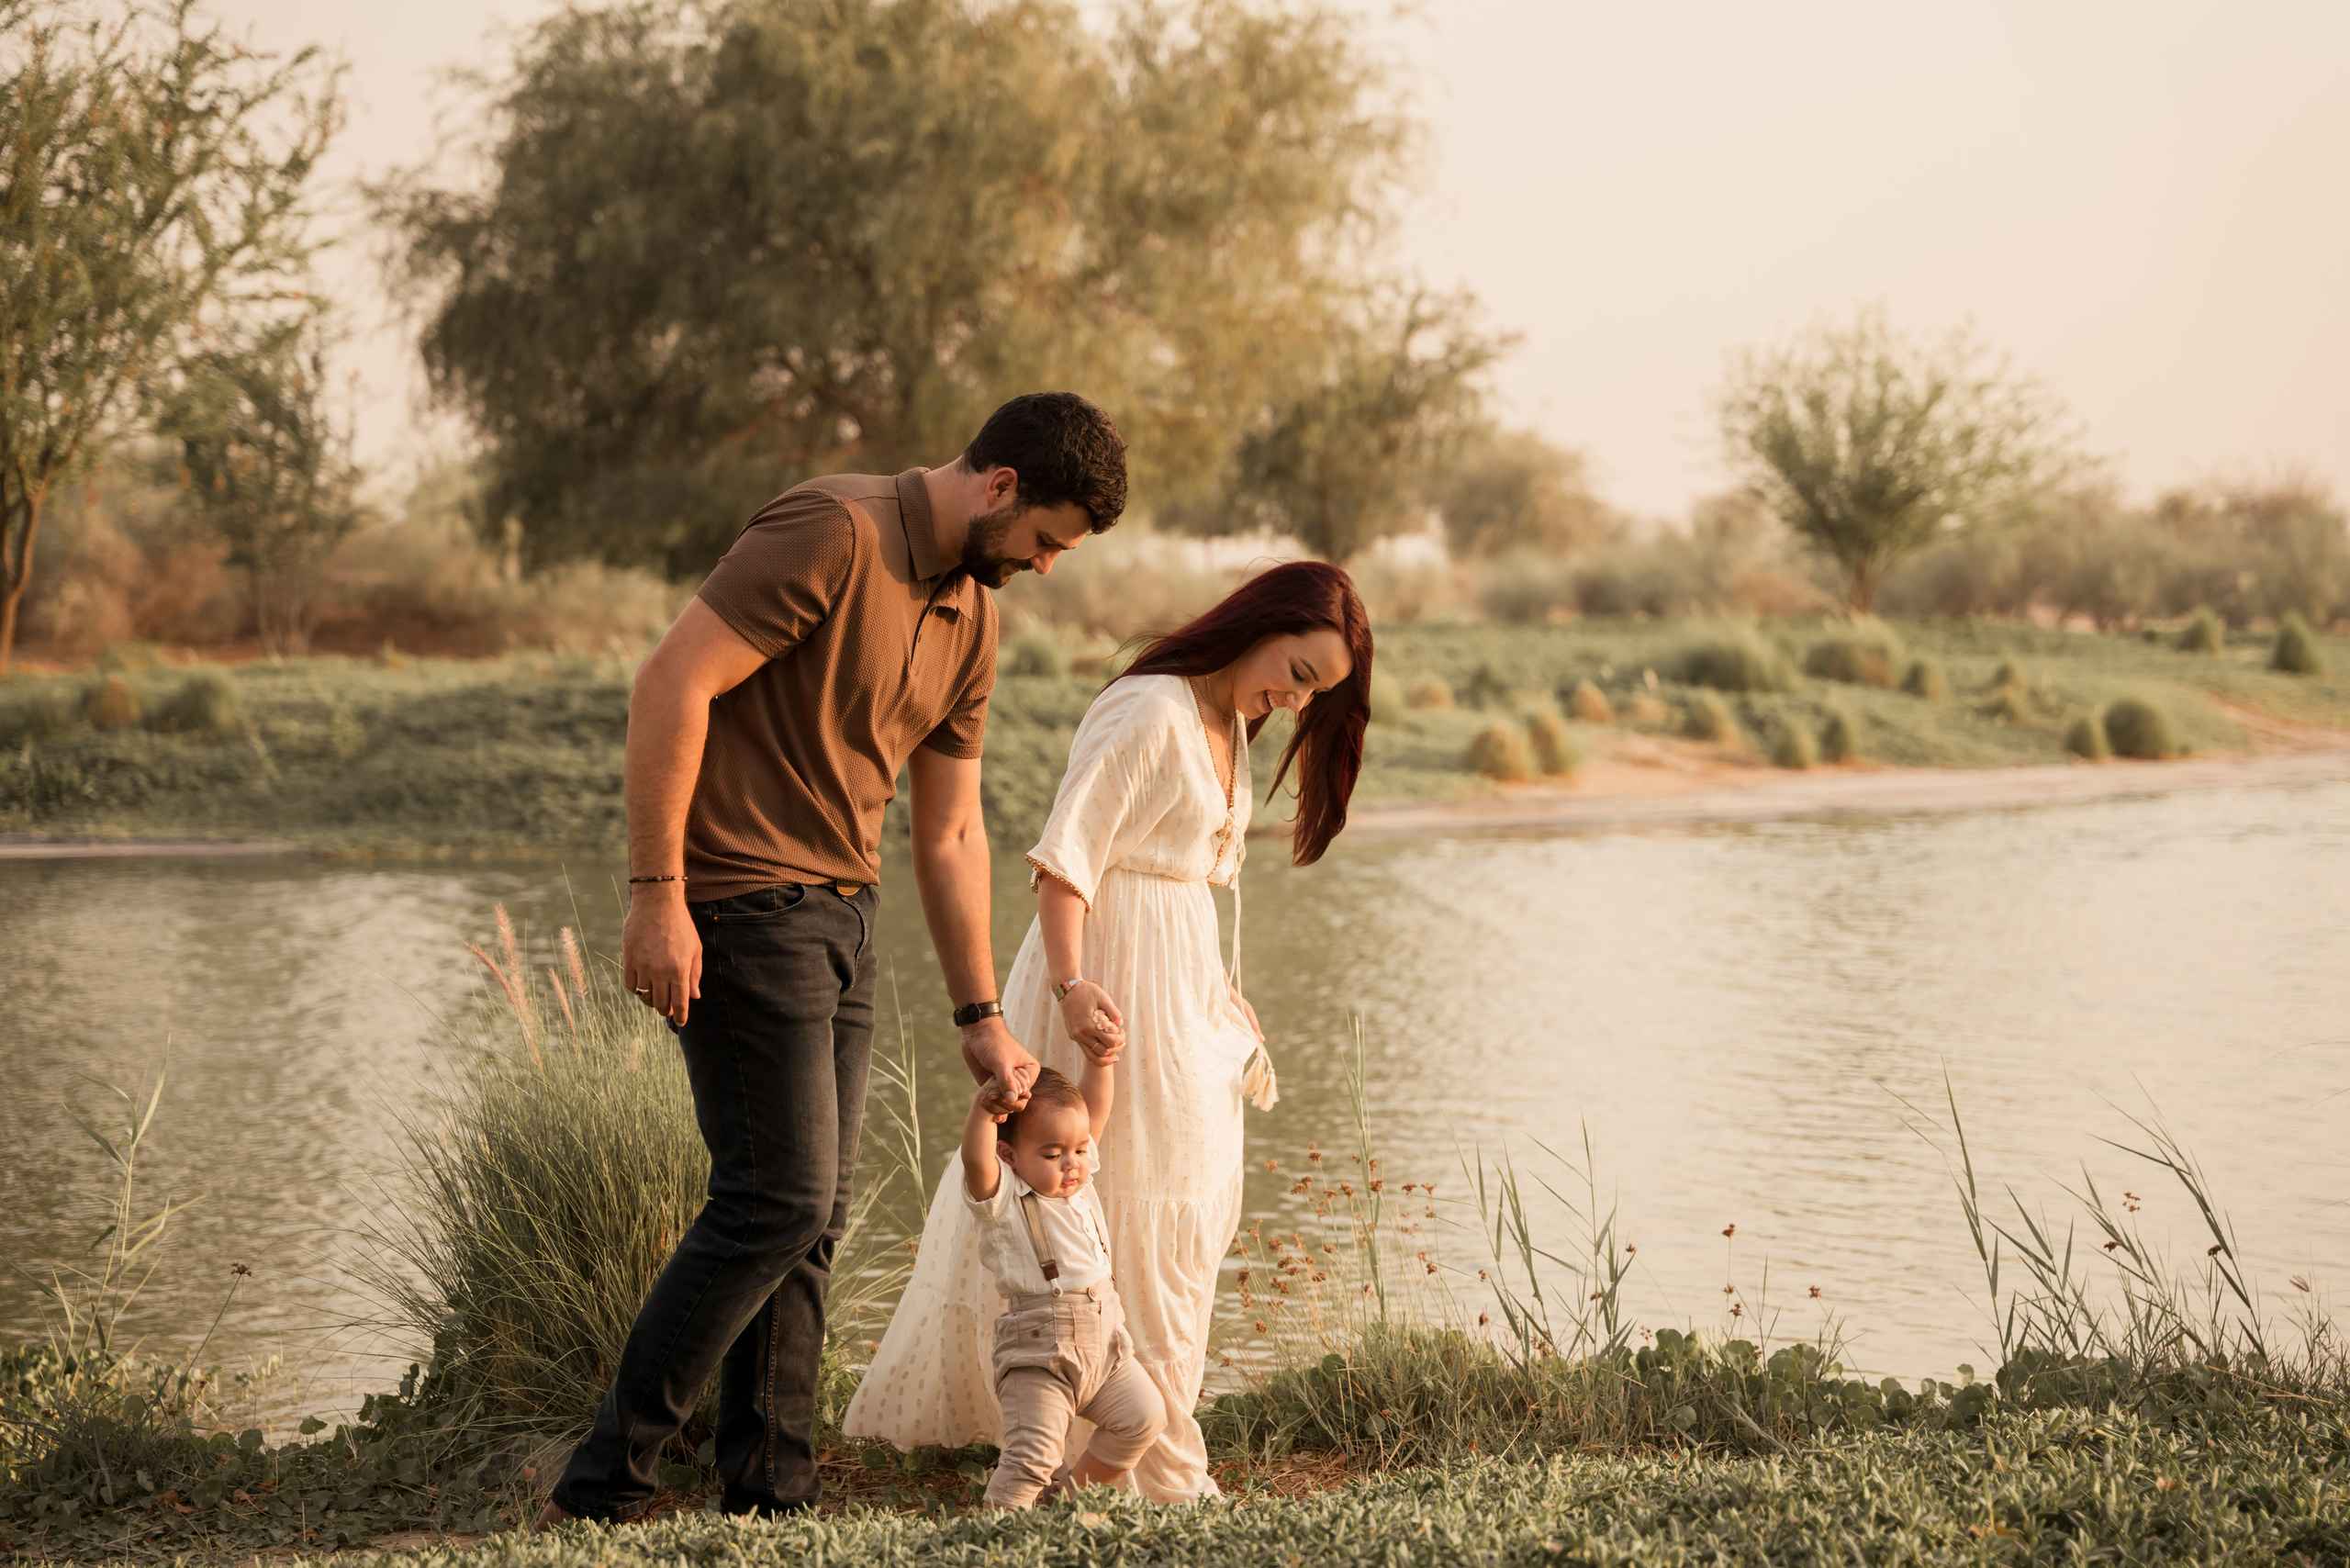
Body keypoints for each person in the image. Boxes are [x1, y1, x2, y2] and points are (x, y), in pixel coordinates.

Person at [541, 393, 1129, 1526]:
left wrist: (978, 1013)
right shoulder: (833, 530)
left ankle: (771, 1490)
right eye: (1047, 538)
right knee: (776, 1196)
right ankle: (606, 1482)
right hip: (737, 898)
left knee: (815, 1213)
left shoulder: (974, 611)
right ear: (1000, 486)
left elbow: (948, 827)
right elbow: (672, 681)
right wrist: (656, 895)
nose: (1048, 565)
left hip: (843, 918)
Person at [845, 560, 1374, 1501]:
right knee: (1109, 1194)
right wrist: (1073, 981)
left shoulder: (1227, 723)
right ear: (1263, 623)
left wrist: (1221, 993)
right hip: (1109, 974)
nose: (1294, 700)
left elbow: (1189, 874)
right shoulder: (1148, 709)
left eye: (1313, 692)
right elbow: (1066, 861)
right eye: (1297, 671)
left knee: (1186, 1207)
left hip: (1180, 995)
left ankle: (1135, 1431)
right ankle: (1142, 1460)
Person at [959, 1055, 1168, 1508]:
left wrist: (1100, 1061)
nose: (1073, 1163)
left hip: (1106, 1344)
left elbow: (1093, 1110)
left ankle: (1068, 1511)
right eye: (1053, 1155)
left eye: (1078, 1150)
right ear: (1009, 1154)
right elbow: (975, 1157)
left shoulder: (1079, 1177)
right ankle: (998, 1545)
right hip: (1040, 1352)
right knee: (1032, 1459)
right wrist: (984, 1109)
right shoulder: (1005, 1198)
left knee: (1143, 1418)